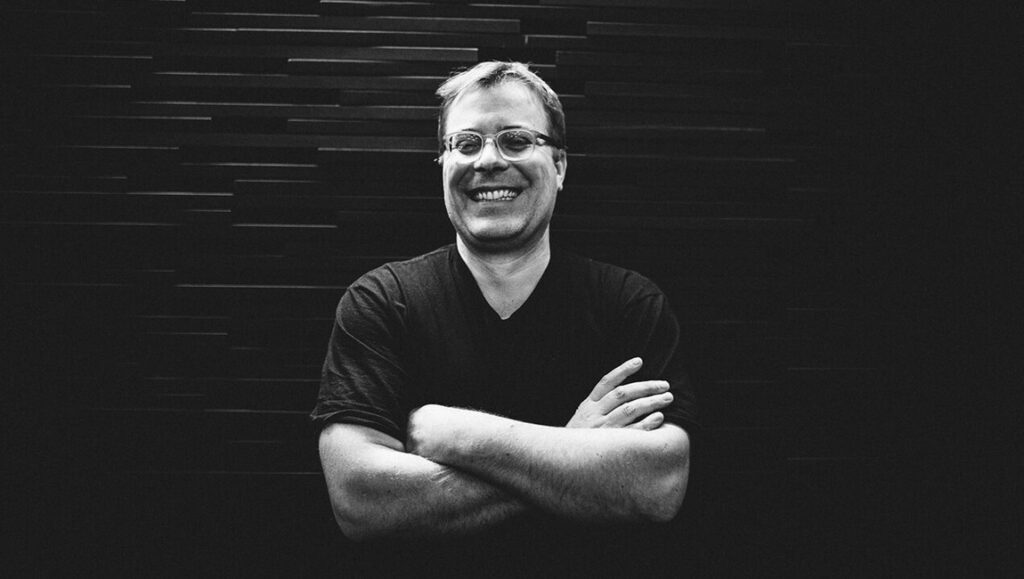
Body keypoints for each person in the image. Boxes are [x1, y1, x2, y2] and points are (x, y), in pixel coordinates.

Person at [311, 61, 697, 576]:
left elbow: (658, 485)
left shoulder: (628, 305)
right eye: (465, 143)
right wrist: (576, 450)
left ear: (560, 166)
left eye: (516, 140)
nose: (488, 161)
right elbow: (360, 500)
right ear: (443, 164)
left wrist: (457, 437)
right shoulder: (383, 302)